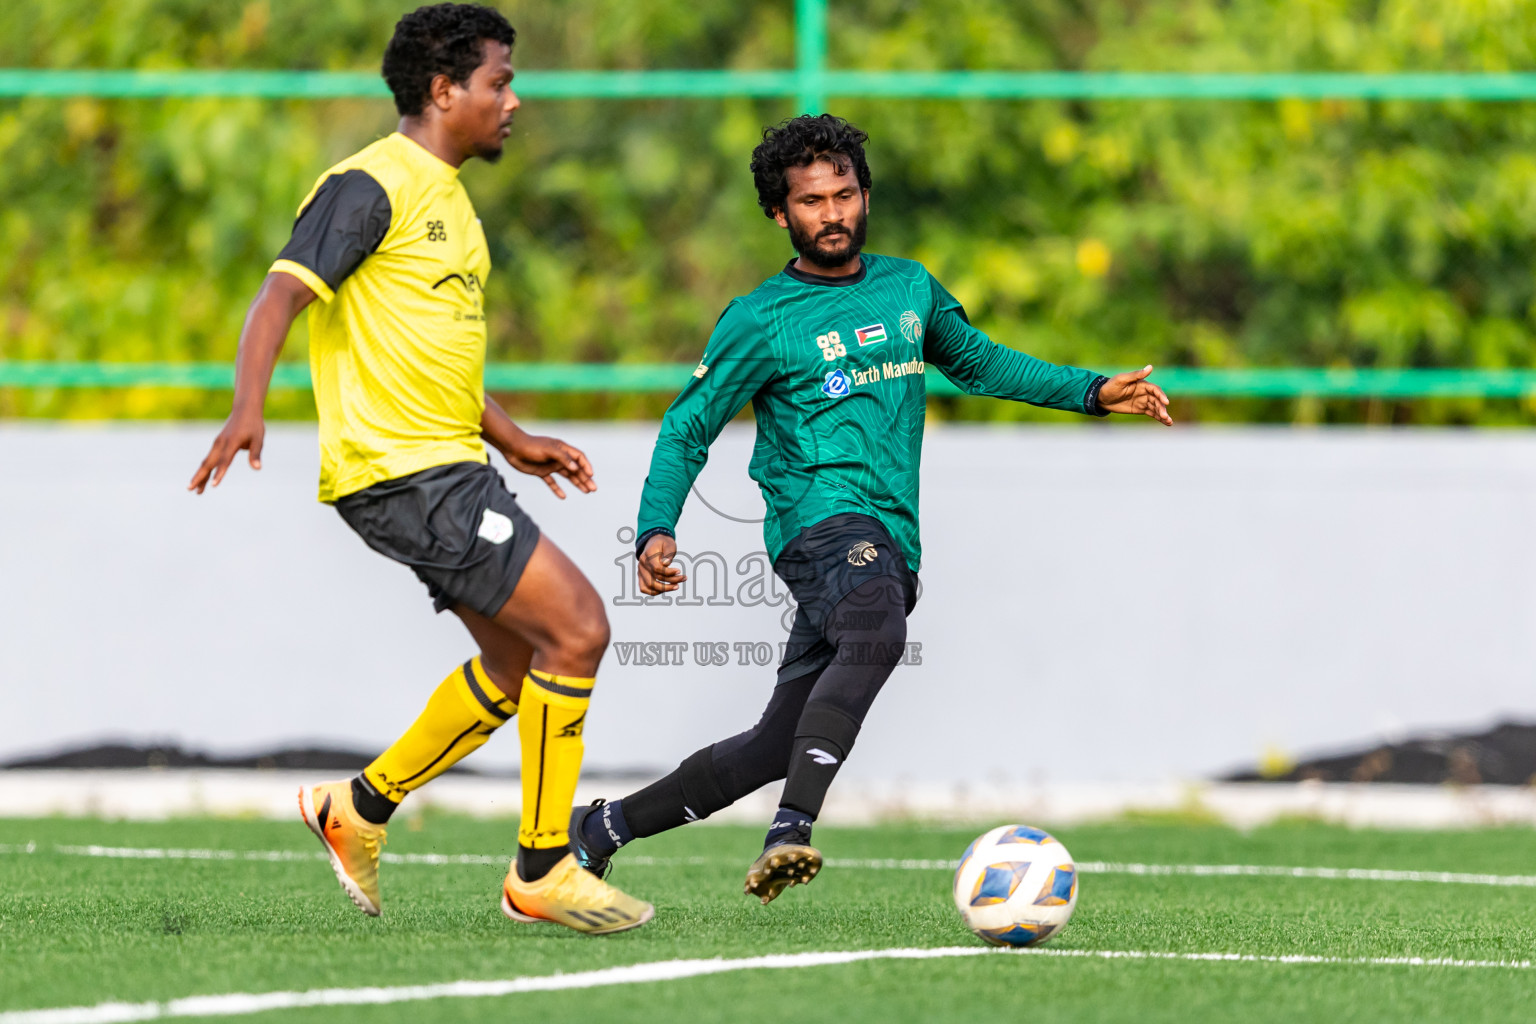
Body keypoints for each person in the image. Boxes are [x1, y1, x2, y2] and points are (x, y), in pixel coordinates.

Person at [568, 113, 1172, 905]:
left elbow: (984, 363)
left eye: (844, 194)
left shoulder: (908, 287)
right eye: (811, 202)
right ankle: (790, 832)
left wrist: (1091, 391)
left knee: (774, 743)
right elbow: (689, 424)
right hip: (818, 522)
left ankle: (601, 829)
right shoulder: (762, 318)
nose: (832, 214)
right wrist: (656, 527)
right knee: (879, 630)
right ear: (780, 215)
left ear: (863, 195)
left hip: (890, 532)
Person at [187, 2, 650, 935]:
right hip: (406, 473)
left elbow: (423, 348)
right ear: (445, 91)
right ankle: (543, 867)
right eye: (498, 82)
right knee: (580, 628)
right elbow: (280, 292)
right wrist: (249, 405)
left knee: (519, 665)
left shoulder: (451, 203)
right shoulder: (371, 183)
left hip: (445, 467)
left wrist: (509, 433)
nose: (514, 100)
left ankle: (356, 810)